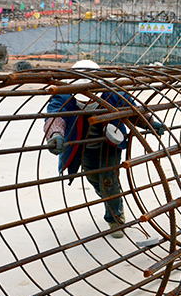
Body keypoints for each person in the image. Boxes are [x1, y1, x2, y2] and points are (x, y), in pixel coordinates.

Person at [44, 60, 165, 238]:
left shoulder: (113, 94)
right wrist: (55, 134)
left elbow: (133, 111)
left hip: (109, 145)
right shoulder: (64, 96)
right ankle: (111, 199)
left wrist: (150, 123)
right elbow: (55, 118)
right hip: (83, 147)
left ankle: (115, 217)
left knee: (109, 180)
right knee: (94, 178)